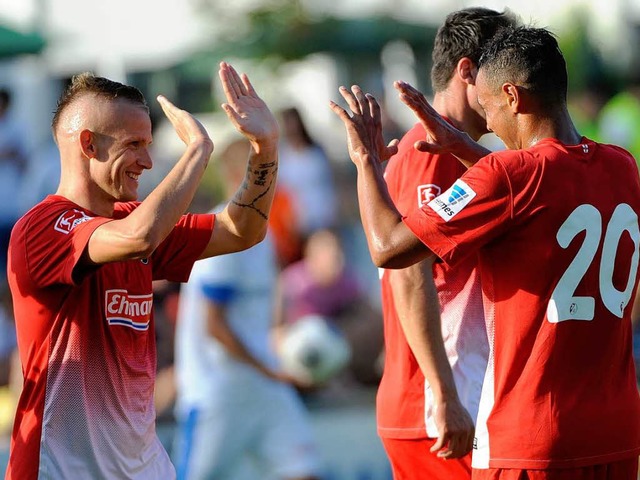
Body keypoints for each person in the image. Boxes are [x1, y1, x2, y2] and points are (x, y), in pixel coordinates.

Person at [330, 26, 640, 480]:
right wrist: (472, 154)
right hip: (617, 431)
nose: (491, 124)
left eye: (491, 107)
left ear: (512, 96)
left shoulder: (505, 173)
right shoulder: (622, 165)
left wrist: (368, 165)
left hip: (531, 439)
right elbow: (546, 189)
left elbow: (388, 250)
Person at [6, 61, 280, 480]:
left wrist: (265, 147)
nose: (148, 162)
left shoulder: (136, 219)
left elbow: (242, 230)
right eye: (134, 144)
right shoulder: (43, 227)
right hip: (60, 470)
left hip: (144, 467)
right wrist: (198, 151)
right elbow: (139, 238)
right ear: (88, 145)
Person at [374, 8, 518, 479]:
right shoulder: (427, 153)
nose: (510, 87)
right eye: (501, 71)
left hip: (456, 401)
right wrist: (445, 394)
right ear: (468, 71)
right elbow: (409, 275)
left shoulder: (470, 157)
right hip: (436, 413)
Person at [172, 137, 321, 480]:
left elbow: (259, 315)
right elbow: (214, 326)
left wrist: (285, 352)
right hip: (219, 392)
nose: (277, 182)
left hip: (262, 384)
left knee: (305, 472)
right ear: (244, 177)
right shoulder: (219, 231)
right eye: (268, 173)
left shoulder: (263, 233)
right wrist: (270, 370)